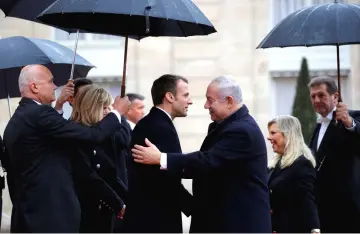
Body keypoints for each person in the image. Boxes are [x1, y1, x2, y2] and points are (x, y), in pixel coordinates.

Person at [132, 75, 272, 233]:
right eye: (186, 95)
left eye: (210, 100)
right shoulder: (225, 126)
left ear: (229, 101)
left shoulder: (242, 131)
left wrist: (161, 158)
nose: (205, 106)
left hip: (238, 224)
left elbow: (207, 161)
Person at [3, 64, 130, 233]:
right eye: (51, 81)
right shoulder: (39, 114)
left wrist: (59, 104)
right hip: (50, 217)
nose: (56, 86)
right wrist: (117, 113)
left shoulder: (21, 118)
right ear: (34, 87)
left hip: (31, 215)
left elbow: (48, 134)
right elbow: (94, 135)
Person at [123, 74, 193, 233]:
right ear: (169, 96)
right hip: (154, 220)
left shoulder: (153, 122)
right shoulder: (160, 126)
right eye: (185, 95)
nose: (189, 101)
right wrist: (195, 207)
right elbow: (167, 178)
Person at [70, 85, 128, 233]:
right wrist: (117, 204)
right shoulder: (77, 135)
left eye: (109, 107)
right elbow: (89, 176)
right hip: (87, 208)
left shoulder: (106, 135)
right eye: (104, 107)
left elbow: (111, 173)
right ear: (91, 108)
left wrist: (126, 200)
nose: (108, 112)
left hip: (107, 209)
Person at [308, 76, 360, 232]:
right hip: (322, 209)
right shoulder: (318, 126)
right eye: (313, 96)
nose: (316, 100)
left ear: (335, 96)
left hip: (348, 209)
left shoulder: (352, 118)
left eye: (321, 95)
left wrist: (349, 122)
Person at [267, 115, 320, 233]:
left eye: (273, 133)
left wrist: (315, 230)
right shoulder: (276, 162)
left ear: (288, 134)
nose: (268, 137)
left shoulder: (302, 165)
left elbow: (308, 202)